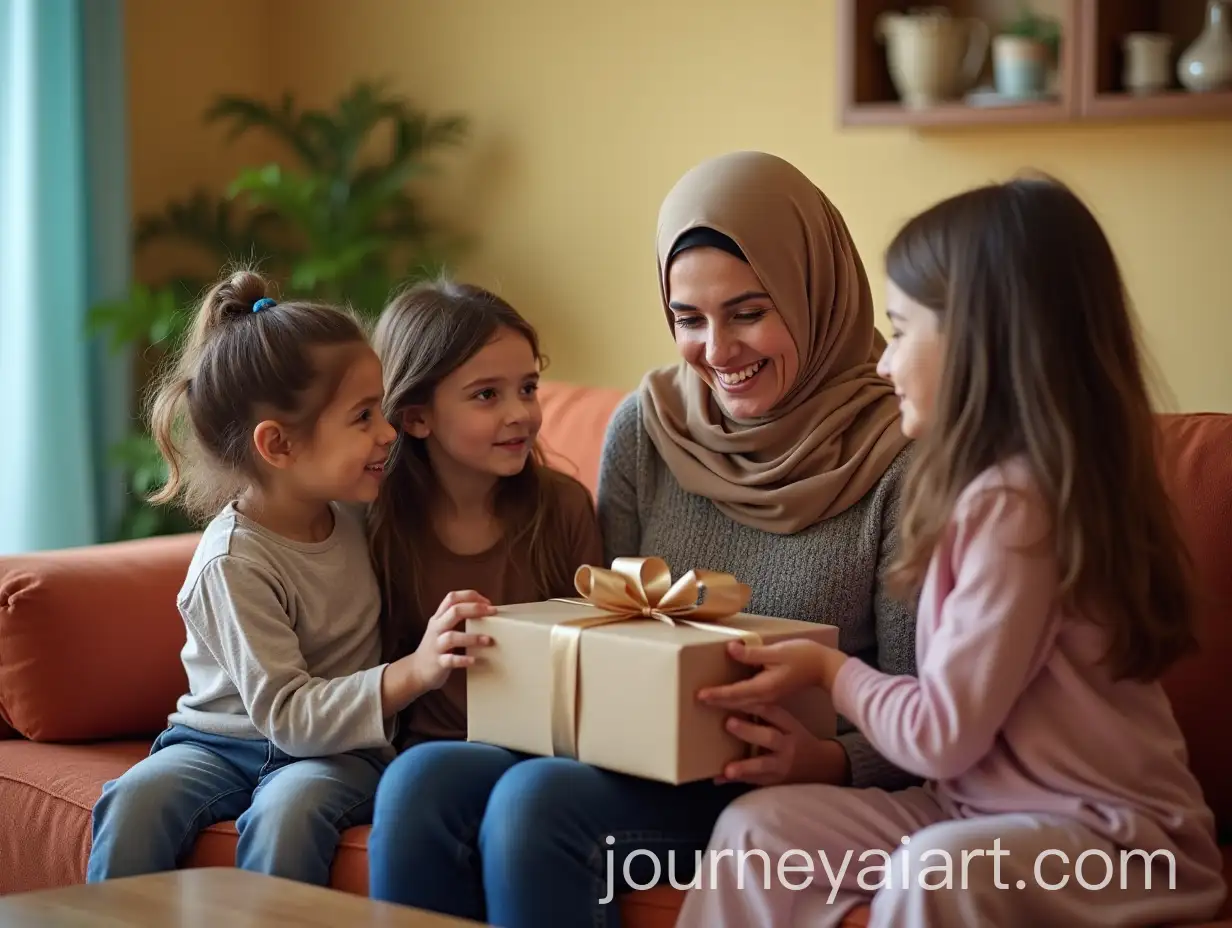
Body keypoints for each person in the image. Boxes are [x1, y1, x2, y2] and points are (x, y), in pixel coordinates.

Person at [367, 151, 921, 927]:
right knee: (420, 781)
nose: (718, 350)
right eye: (689, 319)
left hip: (770, 790)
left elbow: (936, 705)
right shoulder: (649, 427)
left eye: (749, 311)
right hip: (628, 757)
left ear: (812, 289)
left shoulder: (903, 453)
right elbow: (608, 626)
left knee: (536, 803)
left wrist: (831, 759)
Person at [674, 176, 1229, 927]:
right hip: (975, 809)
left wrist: (830, 673)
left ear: (981, 342)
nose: (882, 362)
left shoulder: (1019, 507)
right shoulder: (976, 488)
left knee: (937, 873)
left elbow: (939, 734)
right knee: (758, 834)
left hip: (1119, 847)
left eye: (901, 332)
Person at [86, 270, 474, 886]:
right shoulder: (233, 562)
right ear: (279, 445)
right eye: (363, 416)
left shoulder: (355, 508)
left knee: (288, 811)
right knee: (134, 801)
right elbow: (287, 715)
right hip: (216, 743)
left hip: (338, 752)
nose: (387, 432)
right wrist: (414, 671)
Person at [364, 279, 606, 876]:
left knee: (438, 781)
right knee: (420, 777)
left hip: (545, 753)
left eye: (527, 388)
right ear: (417, 417)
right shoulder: (373, 522)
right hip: (425, 750)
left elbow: (598, 657)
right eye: (486, 395)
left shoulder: (564, 508)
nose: (520, 414)